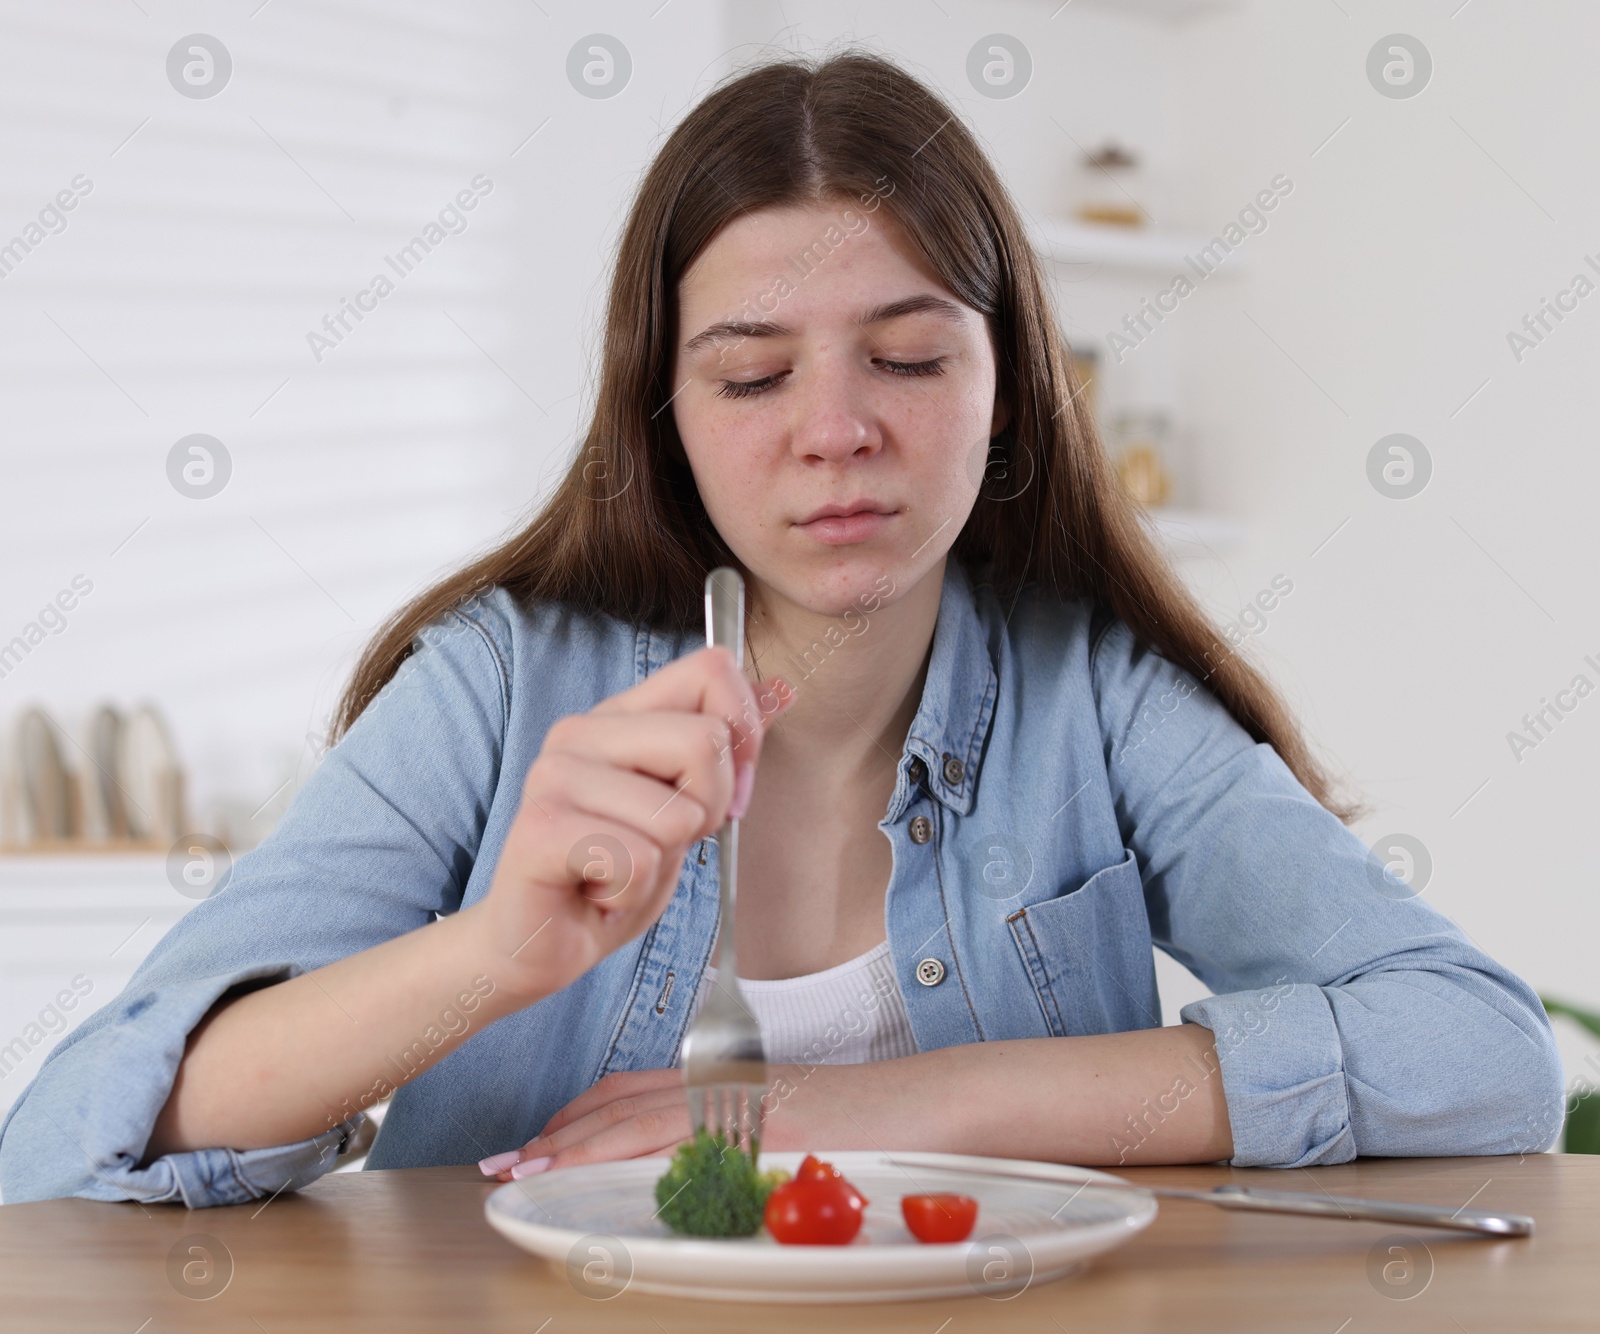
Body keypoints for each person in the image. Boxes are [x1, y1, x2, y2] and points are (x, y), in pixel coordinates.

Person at [0, 50, 1562, 1208]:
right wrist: (492, 952)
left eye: (908, 357)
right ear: (665, 413)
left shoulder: (1101, 698)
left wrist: (870, 1108)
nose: (835, 431)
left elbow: (1487, 1058)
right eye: (752, 376)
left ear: (1006, 388)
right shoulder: (493, 684)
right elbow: (76, 1133)